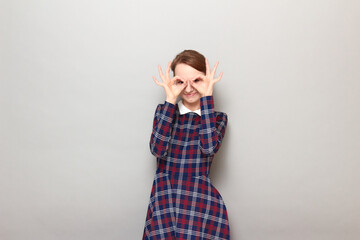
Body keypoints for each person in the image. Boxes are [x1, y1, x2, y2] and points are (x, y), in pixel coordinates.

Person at [143, 50, 230, 239]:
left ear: (206, 80)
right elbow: (157, 149)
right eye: (181, 81)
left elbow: (208, 148)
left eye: (197, 80)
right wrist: (170, 100)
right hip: (164, 203)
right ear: (174, 82)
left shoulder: (217, 119)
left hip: (200, 208)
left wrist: (207, 98)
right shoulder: (164, 112)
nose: (189, 88)